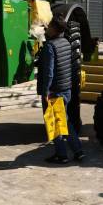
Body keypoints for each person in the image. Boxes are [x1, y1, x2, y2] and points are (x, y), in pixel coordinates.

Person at [37, 14, 84, 164]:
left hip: (54, 92)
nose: (47, 29)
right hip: (66, 89)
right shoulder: (65, 42)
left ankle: (61, 155)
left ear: (55, 29)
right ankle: (78, 151)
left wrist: (45, 92)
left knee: (55, 123)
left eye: (49, 26)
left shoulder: (50, 46)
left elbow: (49, 72)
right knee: (64, 121)